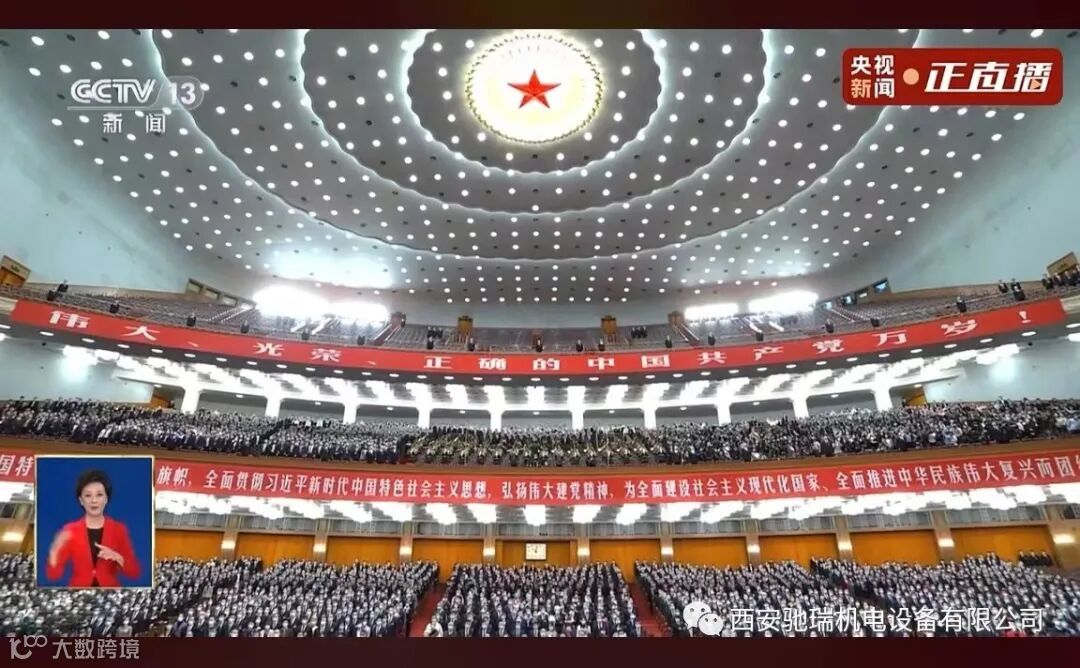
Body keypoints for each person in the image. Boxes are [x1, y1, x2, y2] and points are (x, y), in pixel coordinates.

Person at [45, 469, 141, 587]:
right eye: (88, 495)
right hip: (79, 590)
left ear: (106, 499)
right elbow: (53, 575)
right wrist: (54, 552)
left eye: (99, 495)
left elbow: (134, 572)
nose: (94, 500)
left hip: (110, 591)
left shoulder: (119, 529)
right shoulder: (70, 530)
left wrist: (117, 557)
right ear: (81, 500)